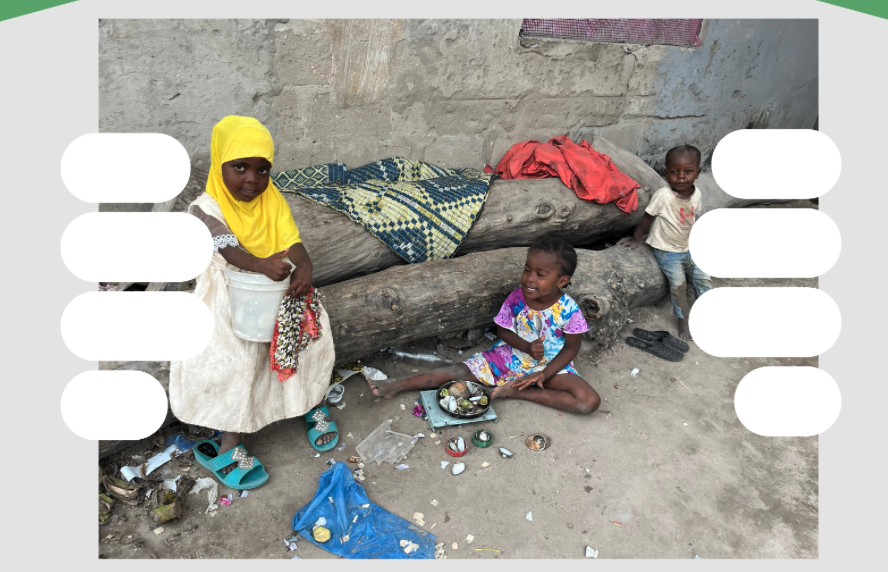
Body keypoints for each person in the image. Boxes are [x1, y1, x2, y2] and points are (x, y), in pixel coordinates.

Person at [169, 116, 337, 489]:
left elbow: (290, 240)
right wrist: (260, 264)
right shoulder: (205, 208)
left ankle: (309, 403)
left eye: (263, 170)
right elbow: (227, 247)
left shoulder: (271, 198)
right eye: (240, 167)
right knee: (239, 361)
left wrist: (304, 264)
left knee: (309, 341)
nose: (252, 179)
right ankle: (231, 439)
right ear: (219, 164)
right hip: (229, 300)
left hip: (278, 293)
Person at [366, 237, 601, 414]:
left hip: (550, 365)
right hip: (511, 355)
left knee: (588, 401)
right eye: (527, 269)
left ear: (562, 281)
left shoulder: (569, 310)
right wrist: (527, 348)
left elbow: (571, 349)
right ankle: (397, 384)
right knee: (459, 371)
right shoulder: (518, 298)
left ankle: (520, 391)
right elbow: (502, 330)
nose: (530, 278)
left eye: (541, 274)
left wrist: (543, 373)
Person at [616, 144, 712, 341]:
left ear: (698, 173)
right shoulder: (663, 195)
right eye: (674, 172)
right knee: (678, 286)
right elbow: (646, 218)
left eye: (688, 171)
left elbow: (692, 217)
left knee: (703, 279)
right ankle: (683, 320)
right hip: (667, 251)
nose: (681, 176)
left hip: (689, 248)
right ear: (666, 172)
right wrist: (636, 238)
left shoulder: (697, 194)